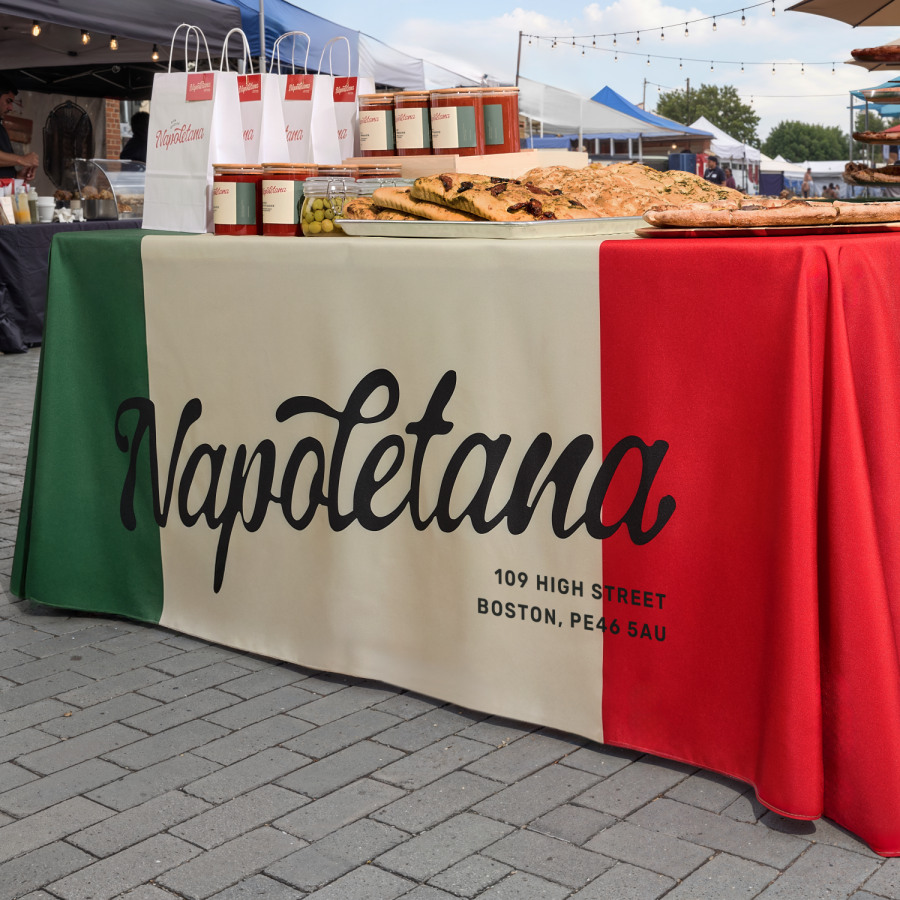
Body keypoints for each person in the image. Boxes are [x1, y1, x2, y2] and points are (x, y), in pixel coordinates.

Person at [0, 79, 38, 183]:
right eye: (8, 101)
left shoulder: (2, 129)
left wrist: (18, 176)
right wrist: (22, 160)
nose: (11, 108)